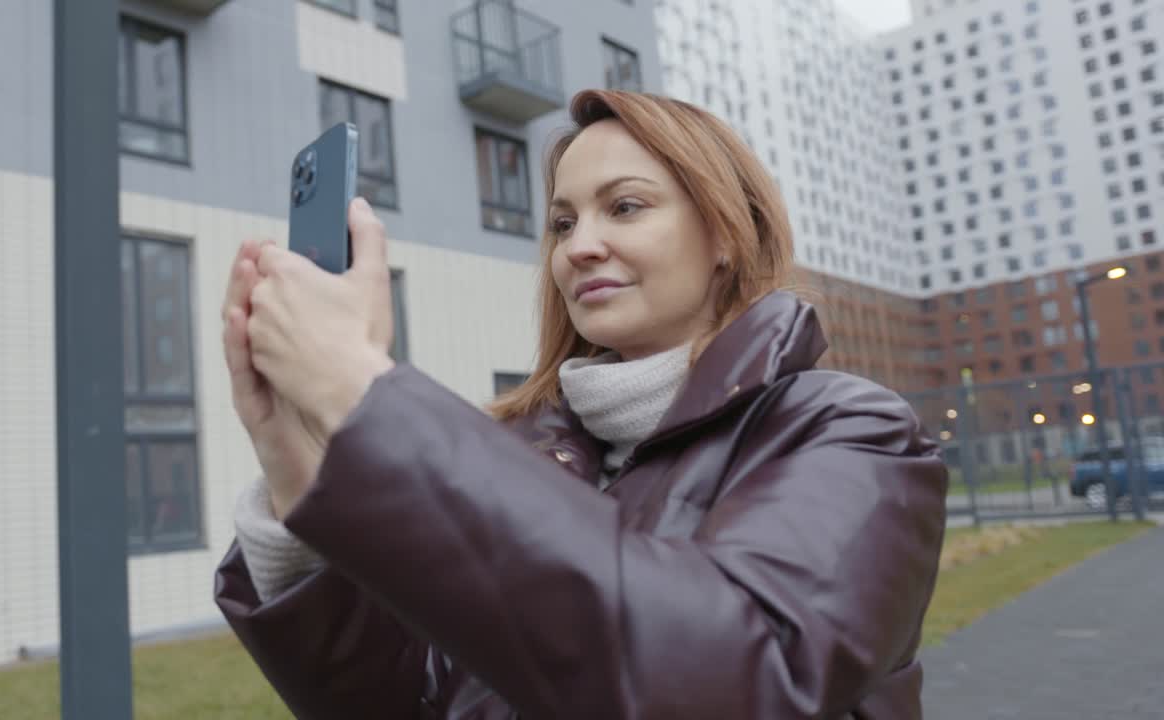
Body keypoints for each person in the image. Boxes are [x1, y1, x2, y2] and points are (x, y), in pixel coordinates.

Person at [214, 89, 948, 719]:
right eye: (563, 223)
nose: (579, 247)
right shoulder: (514, 452)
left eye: (624, 207)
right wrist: (297, 474)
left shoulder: (852, 434)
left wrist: (361, 392)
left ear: (725, 233)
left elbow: (736, 678)